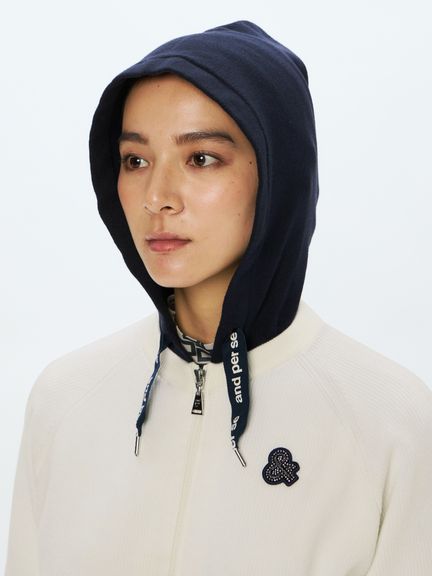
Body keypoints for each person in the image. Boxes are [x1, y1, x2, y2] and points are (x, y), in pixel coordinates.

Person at [5, 20, 432, 576]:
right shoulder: (64, 398)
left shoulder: (391, 423)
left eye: (201, 158)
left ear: (279, 173)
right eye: (135, 160)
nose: (157, 197)